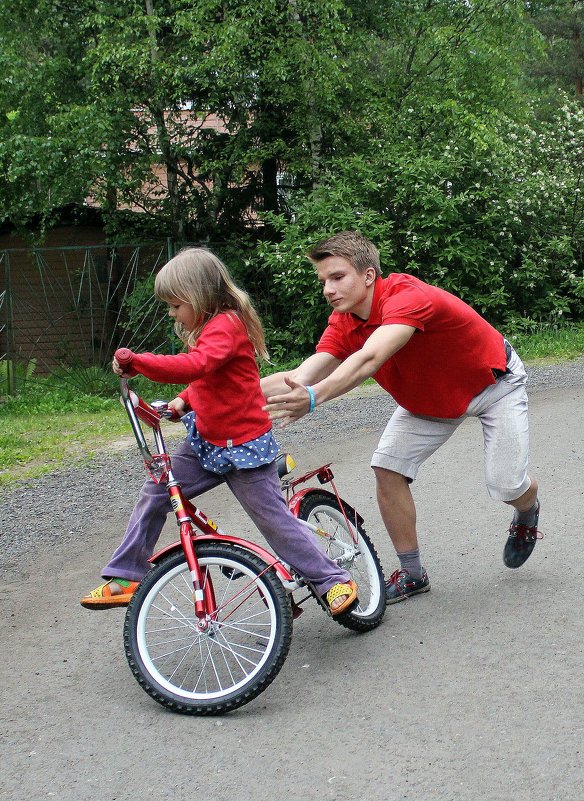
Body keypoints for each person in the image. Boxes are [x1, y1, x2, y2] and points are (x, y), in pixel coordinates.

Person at [262, 231, 541, 604]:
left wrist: (313, 399)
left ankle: (527, 510)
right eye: (324, 281)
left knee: (506, 485)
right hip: (429, 404)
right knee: (387, 468)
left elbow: (369, 358)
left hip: (493, 385)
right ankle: (412, 574)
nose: (328, 289)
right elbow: (303, 373)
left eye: (337, 277)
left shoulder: (409, 298)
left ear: (368, 275)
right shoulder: (345, 320)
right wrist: (203, 399)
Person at [80, 247, 357, 615]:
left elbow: (197, 365)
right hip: (206, 443)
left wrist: (140, 363)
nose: (171, 312)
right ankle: (128, 573)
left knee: (274, 522)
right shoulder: (208, 330)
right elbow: (208, 380)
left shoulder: (226, 325)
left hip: (243, 447)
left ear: (198, 296)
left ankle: (332, 580)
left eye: (176, 305)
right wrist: (182, 402)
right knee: (156, 492)